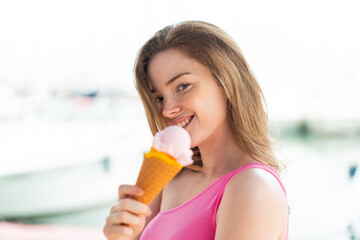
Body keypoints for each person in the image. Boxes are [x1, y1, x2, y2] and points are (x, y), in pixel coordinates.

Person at [103, 21, 289, 240]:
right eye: (159, 98)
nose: (168, 110)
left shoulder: (253, 188)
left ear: (226, 81)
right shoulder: (172, 178)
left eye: (183, 86)